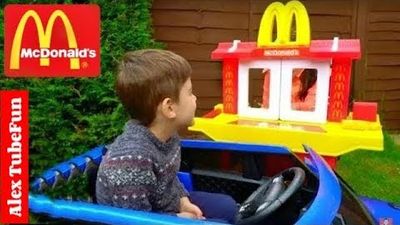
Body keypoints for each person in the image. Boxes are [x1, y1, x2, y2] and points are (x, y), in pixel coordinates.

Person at [96, 49, 237, 223]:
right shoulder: (130, 160)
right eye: (190, 92)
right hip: (147, 218)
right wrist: (178, 219)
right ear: (169, 108)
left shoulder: (168, 135)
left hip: (165, 205)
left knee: (227, 207)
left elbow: (168, 179)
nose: (195, 98)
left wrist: (183, 201)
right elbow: (136, 219)